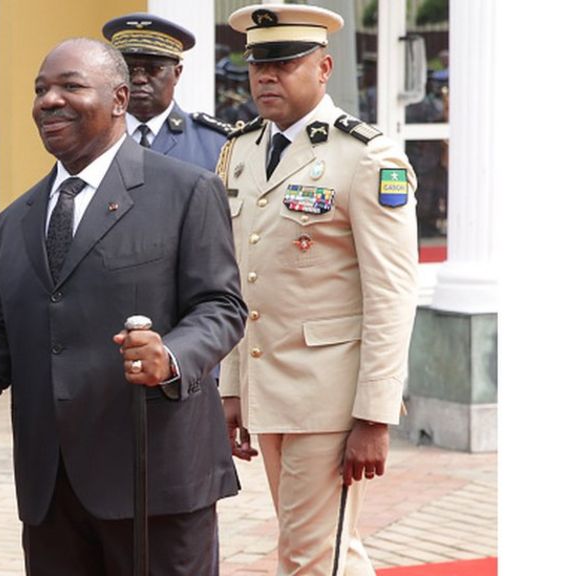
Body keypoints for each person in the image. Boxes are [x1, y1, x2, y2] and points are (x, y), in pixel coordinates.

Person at [0, 37, 248, 575]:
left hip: (153, 479)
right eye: (41, 89)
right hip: (51, 489)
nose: (49, 100)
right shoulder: (16, 219)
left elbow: (221, 306)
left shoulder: (186, 191)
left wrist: (170, 356)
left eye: (70, 86)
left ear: (119, 99)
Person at [216, 5, 419, 575]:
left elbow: (391, 293)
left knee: (307, 557)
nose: (266, 76)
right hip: (269, 388)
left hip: (330, 401)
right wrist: (232, 387)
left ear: (324, 68)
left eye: (284, 63)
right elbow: (239, 280)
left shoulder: (367, 156)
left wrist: (375, 416)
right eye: (257, 64)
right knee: (329, 549)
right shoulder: (240, 151)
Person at [102, 13, 235, 172]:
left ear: (177, 73)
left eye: (153, 69)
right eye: (128, 69)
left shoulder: (215, 143)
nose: (139, 79)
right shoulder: (92, 139)